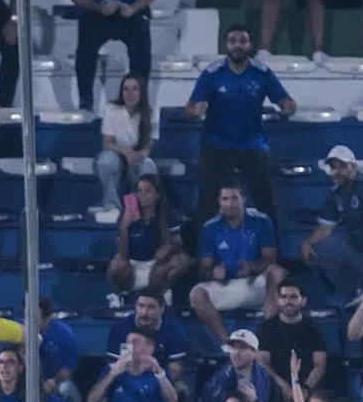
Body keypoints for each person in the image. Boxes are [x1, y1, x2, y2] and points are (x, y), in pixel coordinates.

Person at [186, 26, 293, 228]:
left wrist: (287, 106)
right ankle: (203, 247)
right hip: (216, 145)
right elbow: (190, 107)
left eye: (242, 41)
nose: (237, 45)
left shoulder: (261, 73)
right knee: (207, 204)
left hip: (253, 145)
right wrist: (195, 110)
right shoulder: (212, 73)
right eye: (233, 41)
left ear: (250, 45)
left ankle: (270, 246)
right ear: (226, 46)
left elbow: (286, 101)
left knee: (266, 203)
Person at [302, 146, 363, 306]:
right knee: (318, 247)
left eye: (342, 166)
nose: (336, 171)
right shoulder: (336, 193)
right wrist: (307, 243)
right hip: (357, 254)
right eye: (333, 167)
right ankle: (348, 291)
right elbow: (325, 229)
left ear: (353, 166)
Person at [191, 185, 284, 345]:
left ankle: (268, 334)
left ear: (243, 200)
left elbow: (271, 259)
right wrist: (213, 273)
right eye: (225, 199)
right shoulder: (209, 228)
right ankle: (228, 344)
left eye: (234, 198)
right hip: (226, 285)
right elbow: (204, 269)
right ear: (219, 202)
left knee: (277, 272)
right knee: (196, 294)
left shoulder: (261, 221)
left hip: (255, 284)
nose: (229, 203)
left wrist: (252, 267)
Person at [106, 175, 191, 309]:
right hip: (133, 263)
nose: (142, 195)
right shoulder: (126, 214)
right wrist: (125, 226)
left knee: (181, 260)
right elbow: (122, 253)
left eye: (148, 191)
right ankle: (120, 296)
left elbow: (178, 240)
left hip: (157, 263)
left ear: (157, 195)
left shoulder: (168, 213)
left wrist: (168, 248)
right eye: (140, 190)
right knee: (116, 264)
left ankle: (162, 295)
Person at [75, 0, 152, 113]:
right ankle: (85, 102)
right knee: (85, 51)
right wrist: (99, 7)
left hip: (132, 13)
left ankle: (138, 102)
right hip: (95, 14)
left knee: (141, 50)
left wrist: (133, 8)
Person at [260, 279, 330, 399]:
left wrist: (305, 389)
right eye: (284, 297)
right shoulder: (266, 328)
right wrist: (284, 388)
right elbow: (263, 364)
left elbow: (320, 365)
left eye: (293, 297)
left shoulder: (314, 328)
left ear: (303, 301)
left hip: (307, 387)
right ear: (278, 300)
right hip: (277, 387)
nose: (288, 301)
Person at [96, 74, 157, 210]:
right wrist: (126, 152)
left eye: (134, 89)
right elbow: (107, 143)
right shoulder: (112, 109)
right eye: (126, 89)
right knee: (106, 161)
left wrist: (137, 155)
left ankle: (139, 208)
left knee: (146, 167)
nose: (130, 93)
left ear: (141, 92)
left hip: (138, 155)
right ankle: (112, 205)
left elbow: (148, 146)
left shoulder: (150, 113)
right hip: (116, 153)